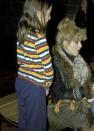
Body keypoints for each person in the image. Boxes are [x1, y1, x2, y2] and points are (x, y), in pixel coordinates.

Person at [15, 0, 54, 130]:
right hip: (35, 88)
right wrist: (47, 84)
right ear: (39, 14)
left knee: (24, 119)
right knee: (37, 124)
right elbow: (47, 66)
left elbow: (20, 60)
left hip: (21, 82)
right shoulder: (40, 38)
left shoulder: (22, 33)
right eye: (48, 14)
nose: (50, 17)